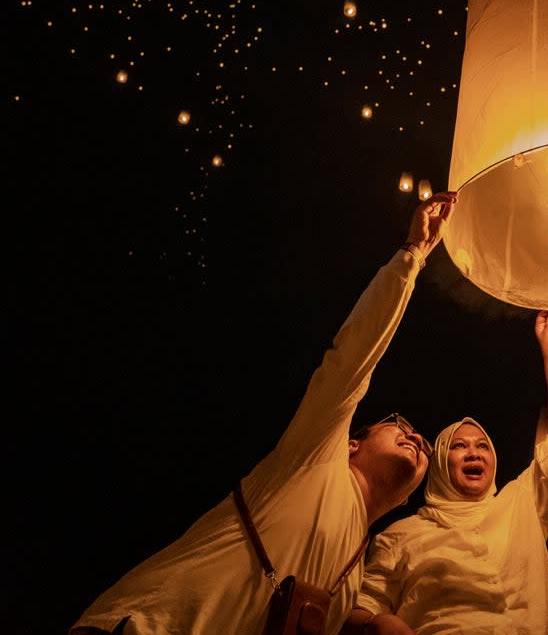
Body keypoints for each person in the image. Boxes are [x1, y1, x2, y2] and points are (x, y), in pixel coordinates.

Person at [71, 192, 457, 635]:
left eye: (424, 446)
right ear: (351, 442)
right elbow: (353, 357)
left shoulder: (351, 583)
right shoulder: (315, 458)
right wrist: (411, 257)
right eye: (401, 426)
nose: (416, 439)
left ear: (407, 499)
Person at [342, 308, 548, 635]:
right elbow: (359, 609)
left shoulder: (520, 504)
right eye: (459, 445)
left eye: (482, 446)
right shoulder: (401, 535)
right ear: (438, 462)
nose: (474, 452)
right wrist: (379, 622)